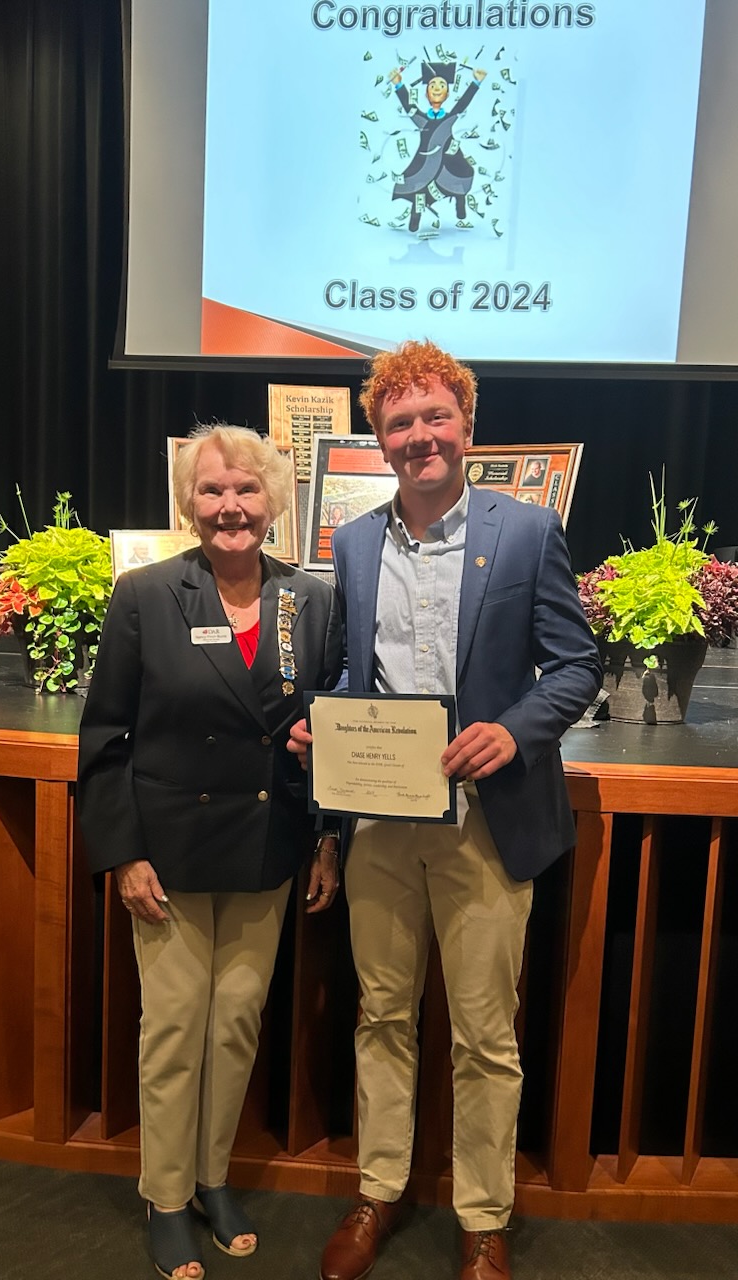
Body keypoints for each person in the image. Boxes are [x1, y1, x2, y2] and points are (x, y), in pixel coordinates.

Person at [288, 341, 601, 1280]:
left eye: (435, 416)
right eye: (399, 422)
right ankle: (378, 1193)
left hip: (485, 821)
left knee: (484, 1032)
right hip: (381, 823)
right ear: (378, 441)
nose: (419, 436)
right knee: (380, 1015)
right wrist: (324, 734)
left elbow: (577, 665)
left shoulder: (528, 532)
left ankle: (483, 1217)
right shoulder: (349, 543)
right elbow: (351, 673)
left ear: (467, 425)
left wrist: (514, 731)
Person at [77, 424, 343, 1280]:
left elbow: (329, 731)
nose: (230, 507)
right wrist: (124, 854)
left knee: (234, 1028)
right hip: (170, 854)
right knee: (174, 1030)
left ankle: (211, 1178)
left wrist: (327, 839)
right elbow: (107, 737)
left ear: (274, 502)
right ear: (189, 504)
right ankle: (163, 1196)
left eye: (247, 490)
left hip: (269, 850)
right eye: (212, 491)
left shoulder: (310, 600)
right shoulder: (147, 594)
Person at [390, 61, 487, 231]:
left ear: (447, 94)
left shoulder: (449, 118)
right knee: (419, 186)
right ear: (427, 94)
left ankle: (460, 203)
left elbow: (462, 103)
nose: (437, 88)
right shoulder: (421, 119)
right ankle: (415, 219)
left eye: (442, 85)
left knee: (463, 175)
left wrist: (476, 82)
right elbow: (408, 105)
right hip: (426, 160)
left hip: (450, 160)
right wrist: (398, 84)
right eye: (432, 85)